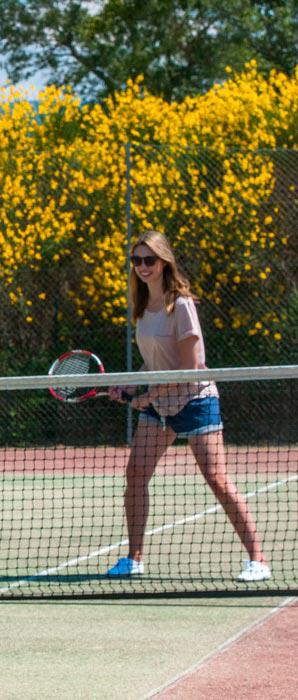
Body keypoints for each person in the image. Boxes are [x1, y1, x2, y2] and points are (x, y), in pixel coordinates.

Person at [106, 230, 270, 583]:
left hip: (195, 400)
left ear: (165, 262)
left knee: (217, 480)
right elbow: (154, 364)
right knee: (135, 475)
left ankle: (258, 559)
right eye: (137, 261)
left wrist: (147, 396)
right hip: (160, 406)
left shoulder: (181, 305)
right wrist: (130, 383)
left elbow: (188, 368)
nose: (143, 267)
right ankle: (134, 558)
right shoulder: (143, 309)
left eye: (149, 260)